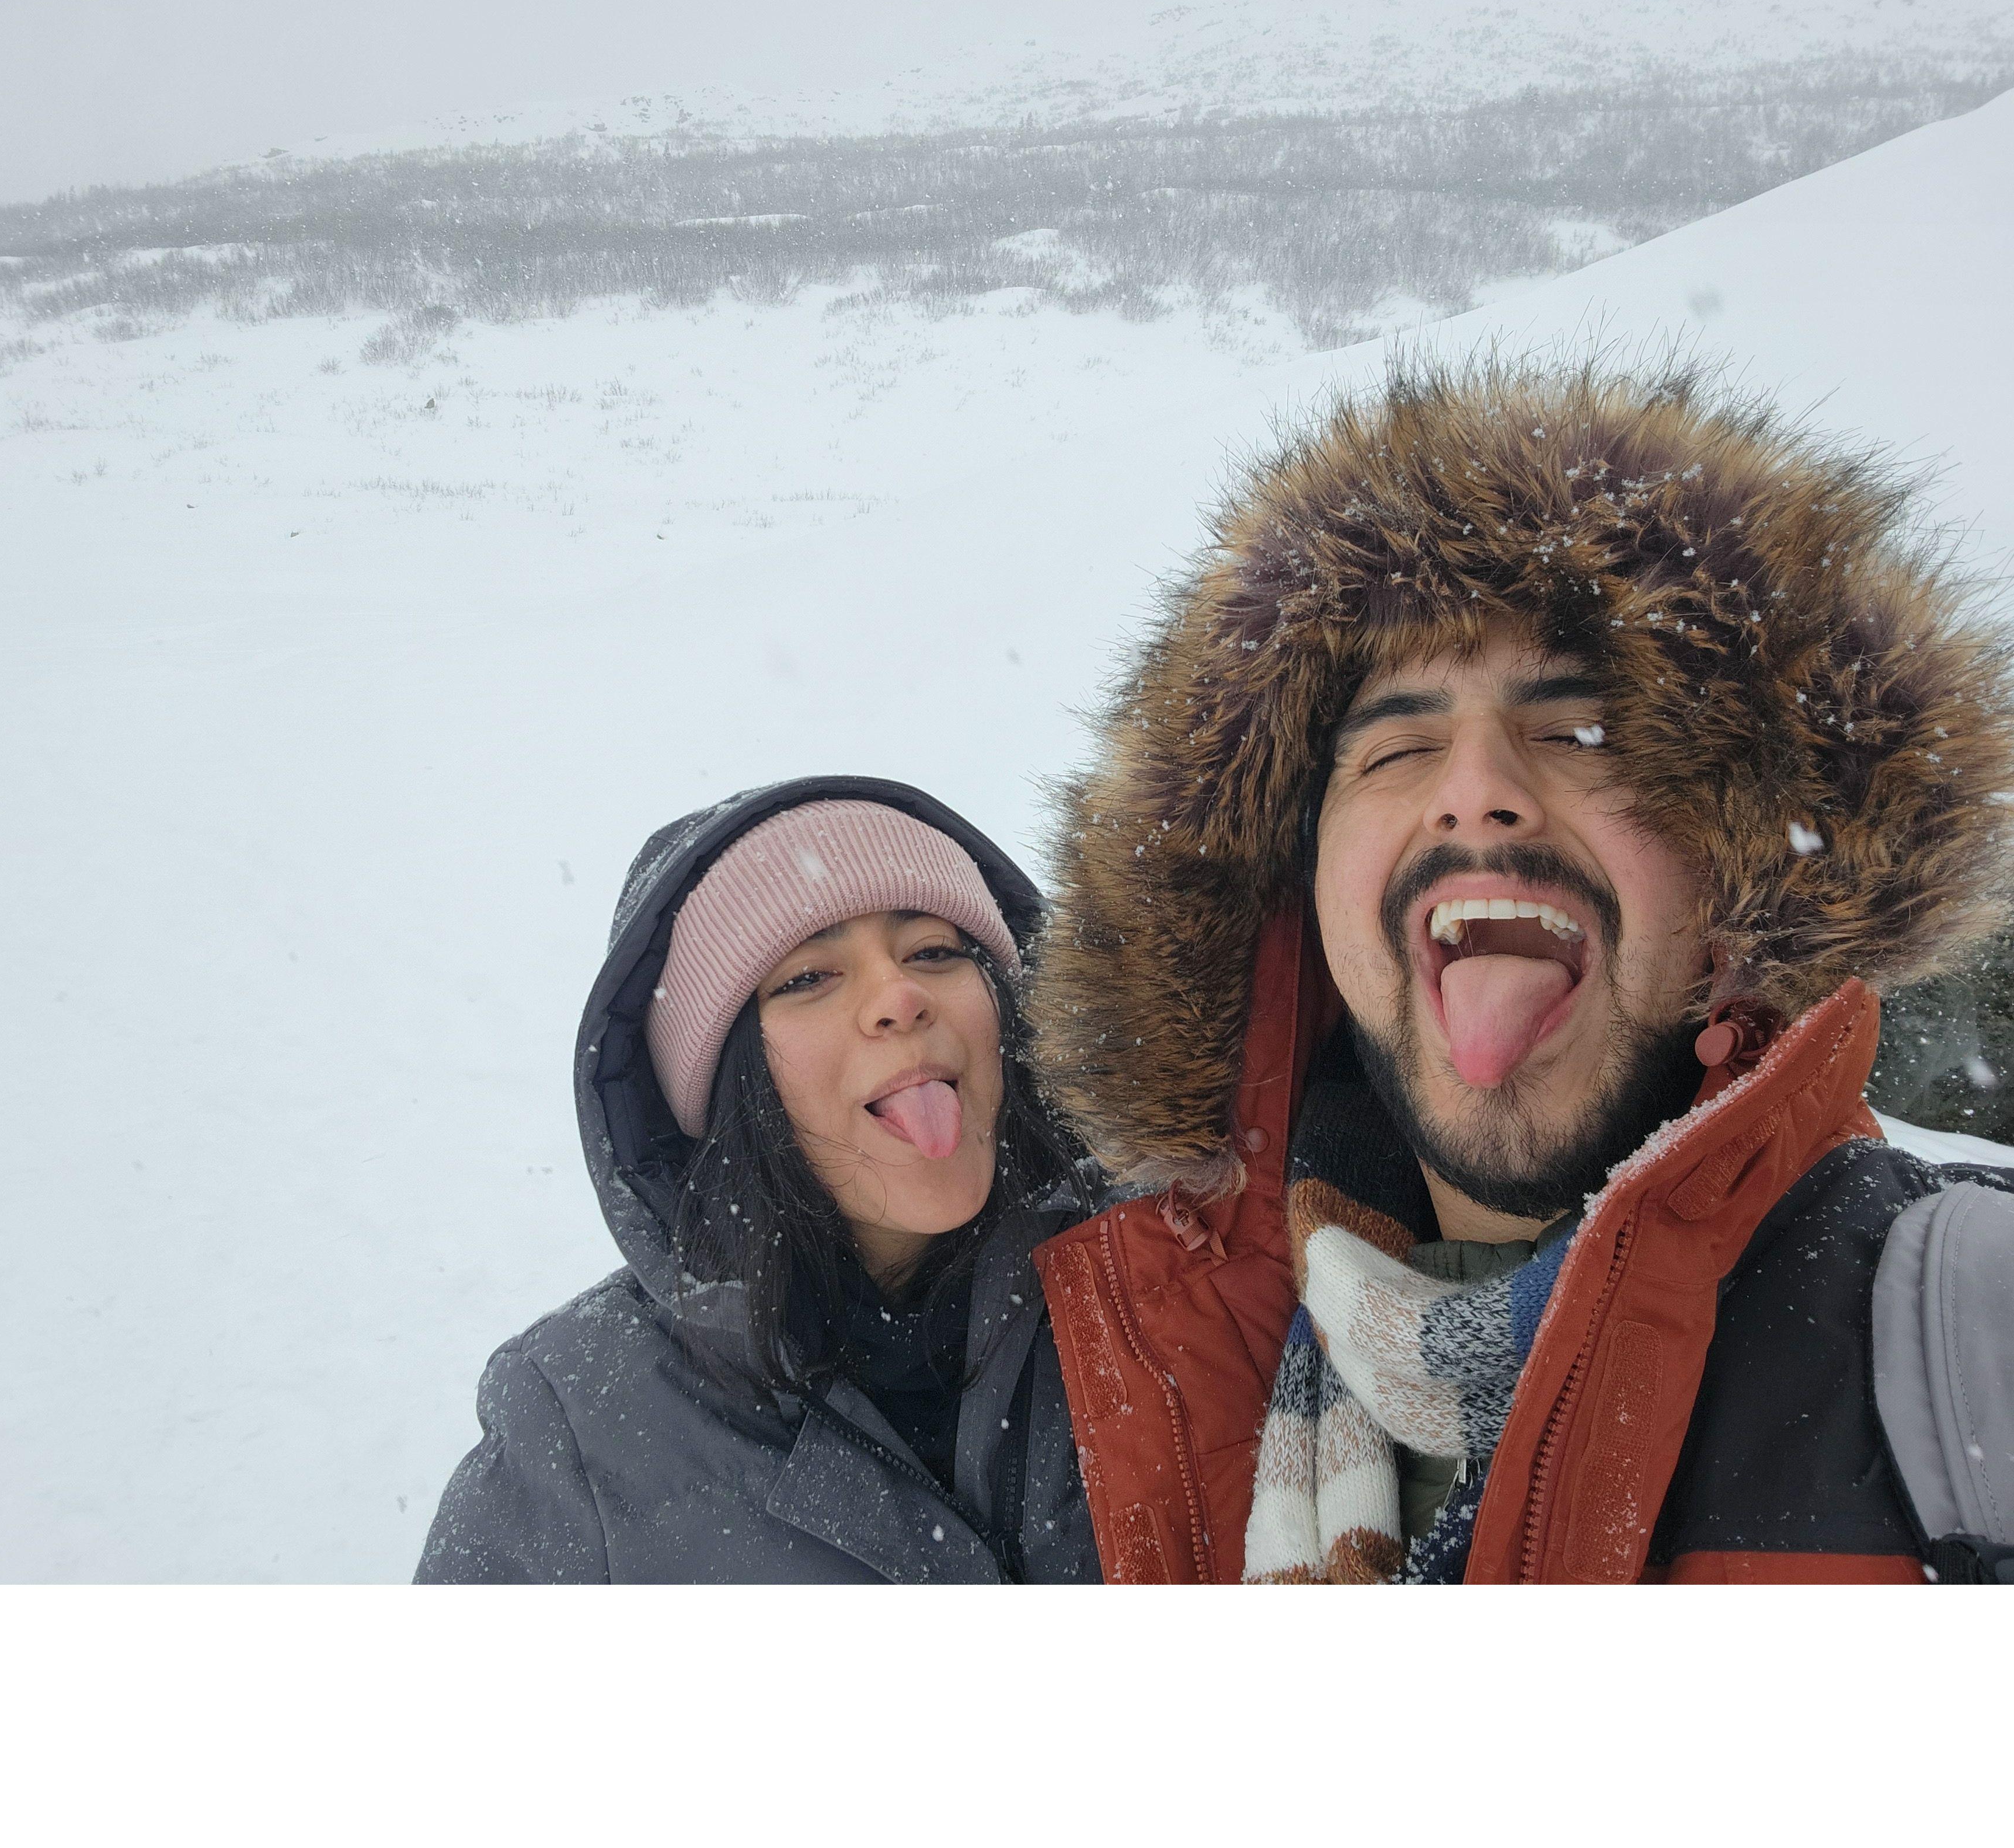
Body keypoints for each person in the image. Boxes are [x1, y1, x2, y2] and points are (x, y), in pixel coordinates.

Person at [1025, 358, 2014, 1584]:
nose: (1477, 791)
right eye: (1397, 748)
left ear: (1733, 879)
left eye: (1577, 734)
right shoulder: (1155, 1379)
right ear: (1304, 904)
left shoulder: (1962, 1333)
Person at [417, 777, 1103, 1582]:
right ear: (724, 1087)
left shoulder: (1179, 1276)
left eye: (933, 951)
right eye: (807, 977)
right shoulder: (576, 1427)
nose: (900, 995)